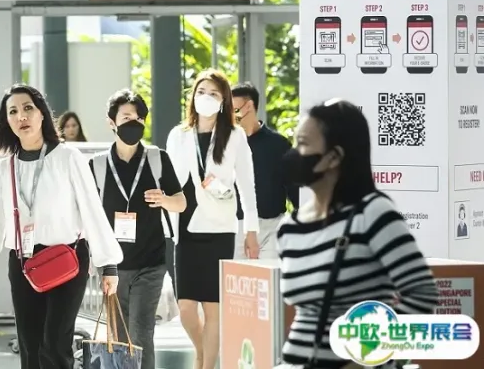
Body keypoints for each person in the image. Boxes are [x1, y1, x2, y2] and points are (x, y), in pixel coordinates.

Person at [0, 84, 122, 369]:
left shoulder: (68, 158)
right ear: (7, 121)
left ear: (42, 114)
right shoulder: (5, 169)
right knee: (30, 346)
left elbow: (91, 209)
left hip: (67, 258)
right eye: (13, 111)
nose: (21, 116)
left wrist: (107, 264)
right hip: (24, 263)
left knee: (55, 343)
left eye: (28, 108)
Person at [277, 99, 437, 367]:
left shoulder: (372, 213)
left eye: (303, 144)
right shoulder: (290, 228)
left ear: (334, 157)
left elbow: (422, 294)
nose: (294, 153)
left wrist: (368, 359)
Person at [165, 69, 260, 369]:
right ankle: (201, 351)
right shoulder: (178, 135)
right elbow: (170, 179)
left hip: (219, 228)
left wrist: (251, 230)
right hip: (185, 227)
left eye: (214, 93)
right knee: (186, 309)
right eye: (201, 91)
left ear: (224, 101)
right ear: (193, 96)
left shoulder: (234, 135)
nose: (206, 97)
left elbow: (247, 185)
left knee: (213, 308)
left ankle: (207, 365)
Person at [89, 89, 186, 369]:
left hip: (150, 263)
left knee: (142, 333)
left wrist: (164, 200)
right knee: (118, 337)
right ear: (112, 122)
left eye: (139, 118)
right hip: (112, 267)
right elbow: (86, 214)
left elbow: (181, 202)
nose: (134, 123)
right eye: (127, 117)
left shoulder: (157, 159)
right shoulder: (97, 165)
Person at [230, 82, 299, 259]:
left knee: (270, 275)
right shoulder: (225, 145)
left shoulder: (278, 144)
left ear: (249, 106)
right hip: (235, 227)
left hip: (272, 227)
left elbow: (294, 188)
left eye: (234, 109)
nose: (230, 115)